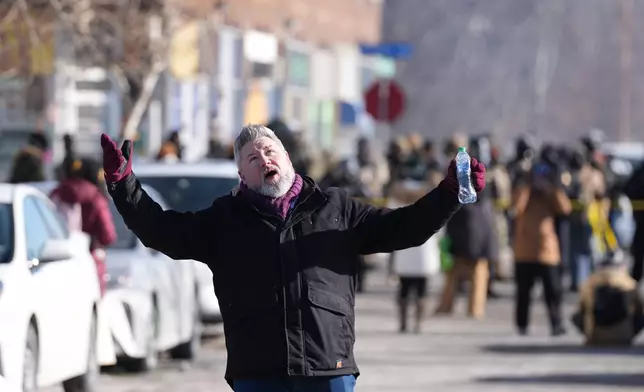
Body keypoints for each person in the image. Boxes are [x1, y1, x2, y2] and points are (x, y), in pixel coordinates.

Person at [100, 124, 486, 392]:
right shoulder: (224, 221)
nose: (263, 159)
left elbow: (405, 227)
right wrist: (123, 186)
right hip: (259, 373)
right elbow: (161, 230)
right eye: (252, 157)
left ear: (286, 158)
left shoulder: (336, 208)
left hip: (328, 369)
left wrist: (449, 193)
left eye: (269, 151)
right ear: (242, 174)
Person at [511, 162, 572, 336]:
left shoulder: (551, 194)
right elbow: (516, 209)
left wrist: (555, 186)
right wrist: (525, 185)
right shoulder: (525, 192)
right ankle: (522, 325)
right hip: (525, 252)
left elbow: (565, 208)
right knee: (523, 293)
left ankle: (556, 324)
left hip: (547, 251)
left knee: (553, 292)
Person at [572, 250, 644, 346]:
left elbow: (580, 310)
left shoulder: (590, 282)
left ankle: (593, 333)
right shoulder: (629, 283)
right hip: (624, 335)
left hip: (596, 336)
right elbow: (639, 309)